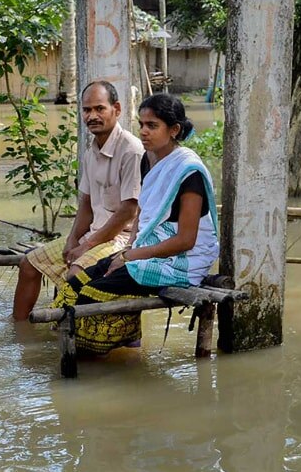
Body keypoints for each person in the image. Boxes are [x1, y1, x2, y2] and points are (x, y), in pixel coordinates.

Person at [56, 93, 219, 354]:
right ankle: (100, 351)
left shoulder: (189, 172)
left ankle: (94, 357)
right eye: (141, 124)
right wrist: (127, 250)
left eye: (152, 126)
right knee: (74, 285)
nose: (143, 131)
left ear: (174, 130)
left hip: (182, 262)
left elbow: (186, 240)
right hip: (148, 250)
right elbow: (143, 212)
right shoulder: (148, 159)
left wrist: (131, 256)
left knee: (91, 294)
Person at [12, 81, 146, 321]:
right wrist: (73, 239)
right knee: (29, 263)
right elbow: (86, 203)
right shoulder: (90, 152)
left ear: (116, 109)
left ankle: (68, 334)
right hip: (95, 234)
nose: (92, 116)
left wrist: (85, 246)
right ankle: (19, 331)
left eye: (99, 109)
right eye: (87, 110)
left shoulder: (131, 150)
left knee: (75, 273)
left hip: (122, 238)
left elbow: (128, 211)